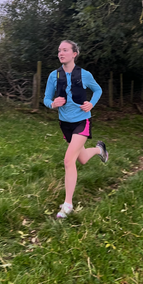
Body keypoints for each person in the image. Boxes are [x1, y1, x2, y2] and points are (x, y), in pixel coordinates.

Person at [44, 40, 108, 218]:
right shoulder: (53, 76)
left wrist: (91, 104)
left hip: (82, 121)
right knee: (82, 159)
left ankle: (68, 204)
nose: (60, 53)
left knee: (67, 160)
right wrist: (52, 104)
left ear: (74, 54)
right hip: (65, 124)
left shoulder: (84, 74)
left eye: (65, 50)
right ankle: (99, 149)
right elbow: (46, 99)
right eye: (59, 50)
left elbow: (98, 90)